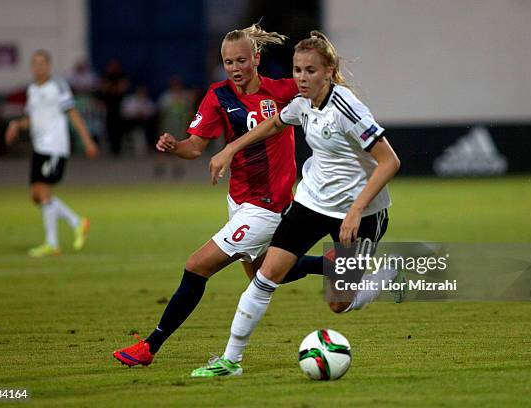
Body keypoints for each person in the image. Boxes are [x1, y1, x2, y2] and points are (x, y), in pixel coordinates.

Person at [113, 23, 325, 368]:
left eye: (241, 60)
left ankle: (150, 346)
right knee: (265, 273)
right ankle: (333, 265)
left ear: (256, 58)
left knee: (197, 265)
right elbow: (194, 147)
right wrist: (174, 146)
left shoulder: (283, 90)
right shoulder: (218, 96)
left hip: (268, 206)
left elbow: (320, 90)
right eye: (228, 62)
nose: (235, 68)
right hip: (239, 201)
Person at [190, 30, 401, 377]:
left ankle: (378, 280)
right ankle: (231, 360)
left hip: (362, 212)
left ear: (329, 71)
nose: (302, 78)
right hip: (311, 203)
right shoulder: (301, 104)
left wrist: (355, 210)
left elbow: (390, 161)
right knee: (265, 275)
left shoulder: (347, 108)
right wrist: (230, 148)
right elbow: (273, 124)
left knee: (337, 304)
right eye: (298, 70)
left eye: (311, 71)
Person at [5, 49, 99, 257]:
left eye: (42, 63)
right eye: (35, 63)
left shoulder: (58, 85)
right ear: (32, 67)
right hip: (39, 147)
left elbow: (72, 112)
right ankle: (77, 222)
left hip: (54, 147)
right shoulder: (32, 90)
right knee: (36, 197)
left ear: (49, 66)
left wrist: (87, 140)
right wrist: (16, 125)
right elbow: (33, 118)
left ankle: (52, 243)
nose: (39, 67)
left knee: (44, 193)